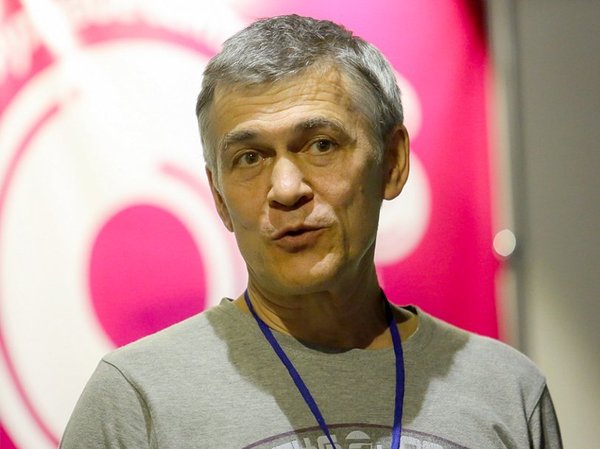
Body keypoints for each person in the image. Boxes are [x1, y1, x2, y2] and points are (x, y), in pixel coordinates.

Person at [60, 15, 562, 449]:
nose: (285, 189)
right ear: (219, 198)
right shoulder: (137, 399)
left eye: (321, 145)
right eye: (249, 158)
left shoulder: (507, 391)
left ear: (392, 163)